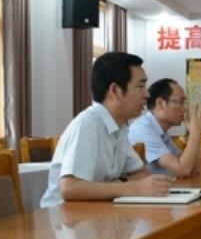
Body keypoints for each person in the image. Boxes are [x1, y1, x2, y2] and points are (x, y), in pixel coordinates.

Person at [40, 52, 174, 207]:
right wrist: (133, 188)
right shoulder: (88, 124)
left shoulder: (119, 126)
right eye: (140, 86)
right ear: (115, 91)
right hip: (61, 215)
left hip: (94, 211)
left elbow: (141, 173)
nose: (147, 94)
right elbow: (69, 188)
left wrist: (118, 184)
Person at [128, 78, 201, 177]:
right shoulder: (143, 129)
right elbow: (182, 170)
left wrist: (194, 133)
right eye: (180, 102)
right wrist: (195, 132)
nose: (185, 109)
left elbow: (193, 168)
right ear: (160, 103)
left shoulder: (161, 130)